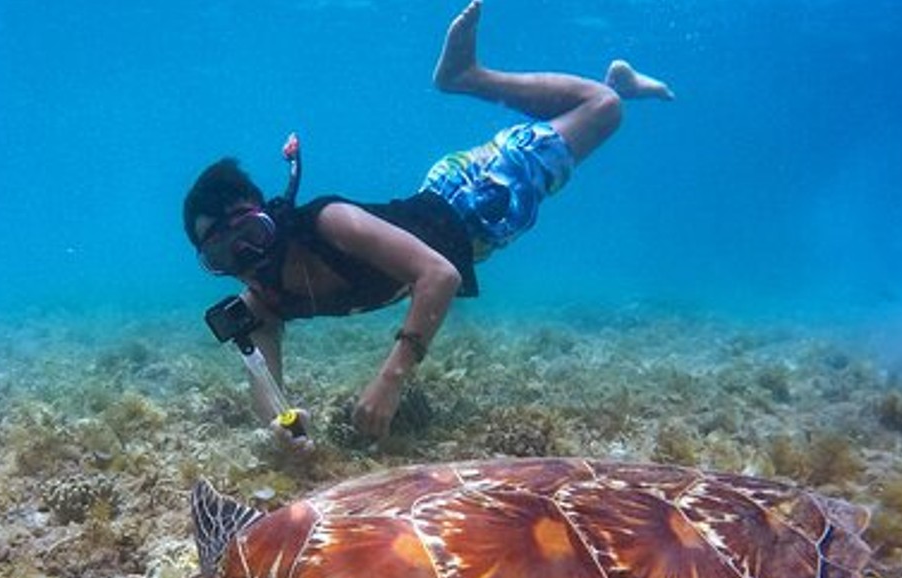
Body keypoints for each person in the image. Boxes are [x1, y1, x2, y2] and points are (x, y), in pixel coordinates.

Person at [184, 0, 672, 446]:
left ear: (271, 216)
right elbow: (264, 386)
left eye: (251, 236)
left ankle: (467, 76)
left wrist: (391, 379)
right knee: (591, 113)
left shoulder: (330, 223)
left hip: (478, 201)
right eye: (224, 255)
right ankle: (620, 84)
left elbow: (439, 276)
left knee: (602, 112)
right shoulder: (263, 303)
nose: (248, 259)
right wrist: (284, 428)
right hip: (445, 202)